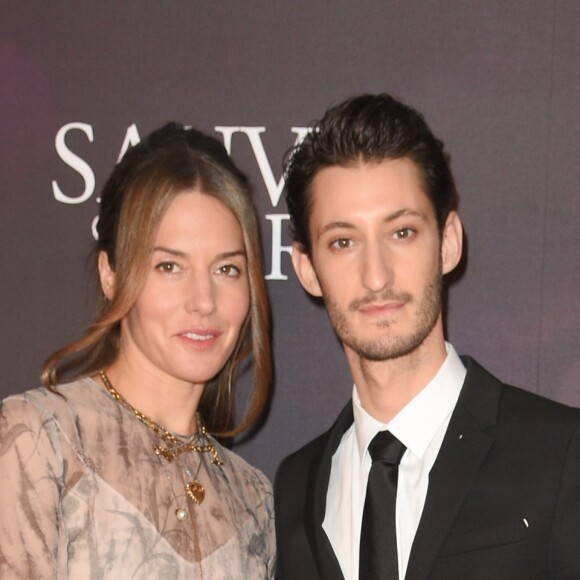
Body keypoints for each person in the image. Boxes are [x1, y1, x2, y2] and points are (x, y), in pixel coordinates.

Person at [275, 94, 580, 580]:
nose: (376, 276)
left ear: (449, 242)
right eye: (343, 242)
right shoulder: (294, 487)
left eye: (402, 233)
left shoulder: (561, 454)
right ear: (308, 270)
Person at [0, 123, 275, 579]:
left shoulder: (253, 499)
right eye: (169, 266)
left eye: (227, 268)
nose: (203, 301)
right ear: (110, 273)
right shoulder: (38, 441)